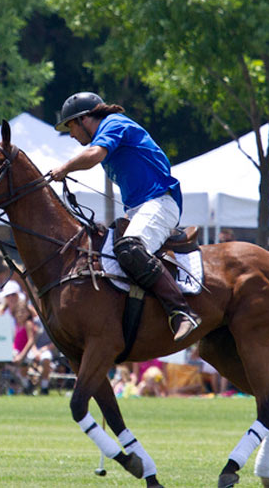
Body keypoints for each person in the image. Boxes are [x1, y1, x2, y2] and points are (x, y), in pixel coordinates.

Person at [49, 92, 200, 343]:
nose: (71, 135)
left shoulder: (114, 124)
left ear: (86, 118)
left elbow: (94, 155)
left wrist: (64, 168)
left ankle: (182, 312)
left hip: (161, 202)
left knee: (130, 248)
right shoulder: (106, 130)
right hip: (138, 209)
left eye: (71, 126)